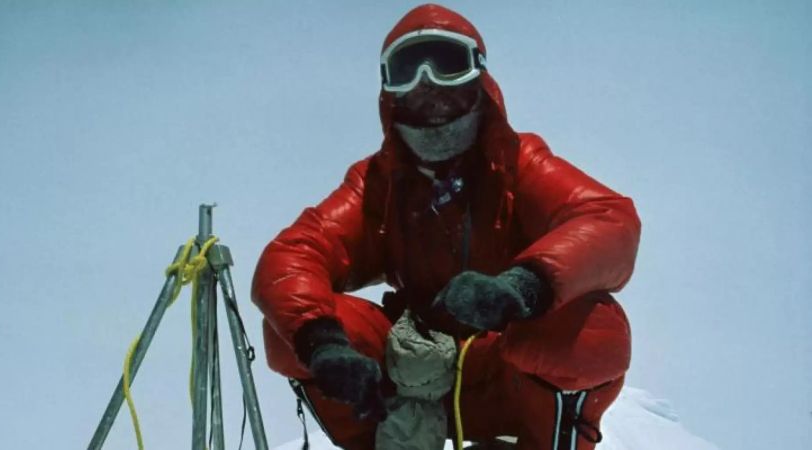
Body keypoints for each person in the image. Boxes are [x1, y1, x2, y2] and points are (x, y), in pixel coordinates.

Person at [251, 4, 641, 450]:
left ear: (480, 80)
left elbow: (608, 220)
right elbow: (296, 253)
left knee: (593, 330)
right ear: (388, 92)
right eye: (407, 70)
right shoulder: (379, 182)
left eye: (447, 64)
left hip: (503, 372)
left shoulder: (517, 164)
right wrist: (322, 343)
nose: (428, 85)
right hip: (410, 372)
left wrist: (521, 286)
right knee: (296, 328)